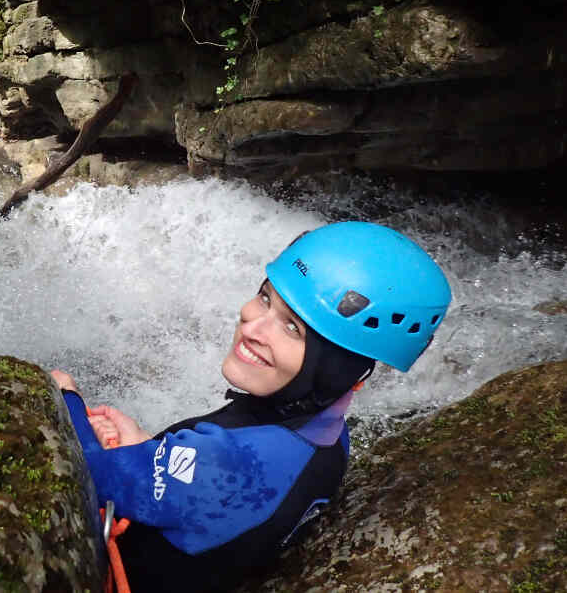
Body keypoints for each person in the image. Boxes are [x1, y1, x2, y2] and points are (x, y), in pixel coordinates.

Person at [51, 221, 452, 592]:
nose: (251, 324)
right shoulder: (326, 436)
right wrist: (147, 451)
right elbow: (211, 491)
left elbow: (75, 477)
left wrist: (63, 401)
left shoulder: (239, 465)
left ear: (336, 373)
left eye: (292, 328)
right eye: (264, 298)